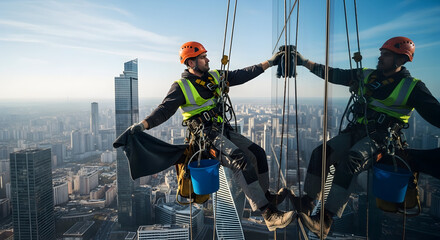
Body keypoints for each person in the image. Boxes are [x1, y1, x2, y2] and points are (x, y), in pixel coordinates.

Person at [130, 41, 294, 231]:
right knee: (239, 160)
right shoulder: (181, 86)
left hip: (223, 129)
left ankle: (266, 196)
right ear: (191, 63)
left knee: (257, 153)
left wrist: (270, 62)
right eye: (202, 57)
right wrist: (143, 125)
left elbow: (242, 74)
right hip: (205, 137)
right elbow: (164, 110)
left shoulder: (215, 76)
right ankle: (268, 214)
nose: (207, 60)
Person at [290, 36, 440, 238]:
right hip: (356, 132)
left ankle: (325, 219)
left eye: (386, 55)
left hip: (381, 139)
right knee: (320, 153)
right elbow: (335, 74)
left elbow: (436, 114)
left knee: (351, 160)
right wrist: (304, 62)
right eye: (382, 53)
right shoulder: (367, 75)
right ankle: (307, 203)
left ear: (401, 60)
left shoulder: (413, 87)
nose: (380, 58)